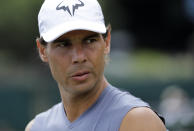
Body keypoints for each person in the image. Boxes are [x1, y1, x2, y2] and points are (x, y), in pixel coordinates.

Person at [25, 0, 167, 130]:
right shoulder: (36, 127)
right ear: (42, 51)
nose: (79, 57)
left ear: (107, 42)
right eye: (63, 44)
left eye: (89, 41)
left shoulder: (138, 120)